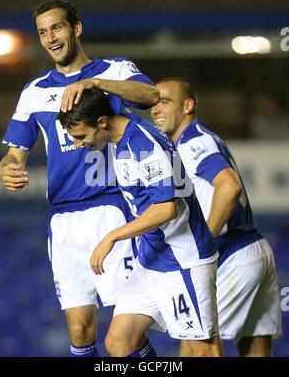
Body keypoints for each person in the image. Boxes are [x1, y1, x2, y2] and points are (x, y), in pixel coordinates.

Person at [0, 0, 160, 357]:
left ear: (76, 28)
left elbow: (151, 95)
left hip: (114, 210)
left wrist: (95, 84)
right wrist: (8, 167)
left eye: (57, 27)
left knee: (125, 335)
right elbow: (14, 153)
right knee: (79, 329)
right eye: (43, 32)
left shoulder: (114, 71)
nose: (51, 38)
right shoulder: (35, 92)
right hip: (65, 220)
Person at [58, 87, 225, 357]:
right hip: (152, 259)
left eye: (80, 137)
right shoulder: (120, 133)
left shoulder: (142, 143)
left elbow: (165, 209)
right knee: (120, 342)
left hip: (183, 261)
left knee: (203, 350)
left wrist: (111, 237)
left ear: (102, 122)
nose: (78, 145)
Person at [151, 77, 282, 357]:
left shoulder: (194, 143)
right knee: (256, 350)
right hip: (253, 249)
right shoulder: (201, 138)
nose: (156, 109)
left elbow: (229, 186)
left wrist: (204, 242)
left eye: (164, 101)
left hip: (231, 256)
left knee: (196, 349)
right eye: (152, 103)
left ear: (188, 105)